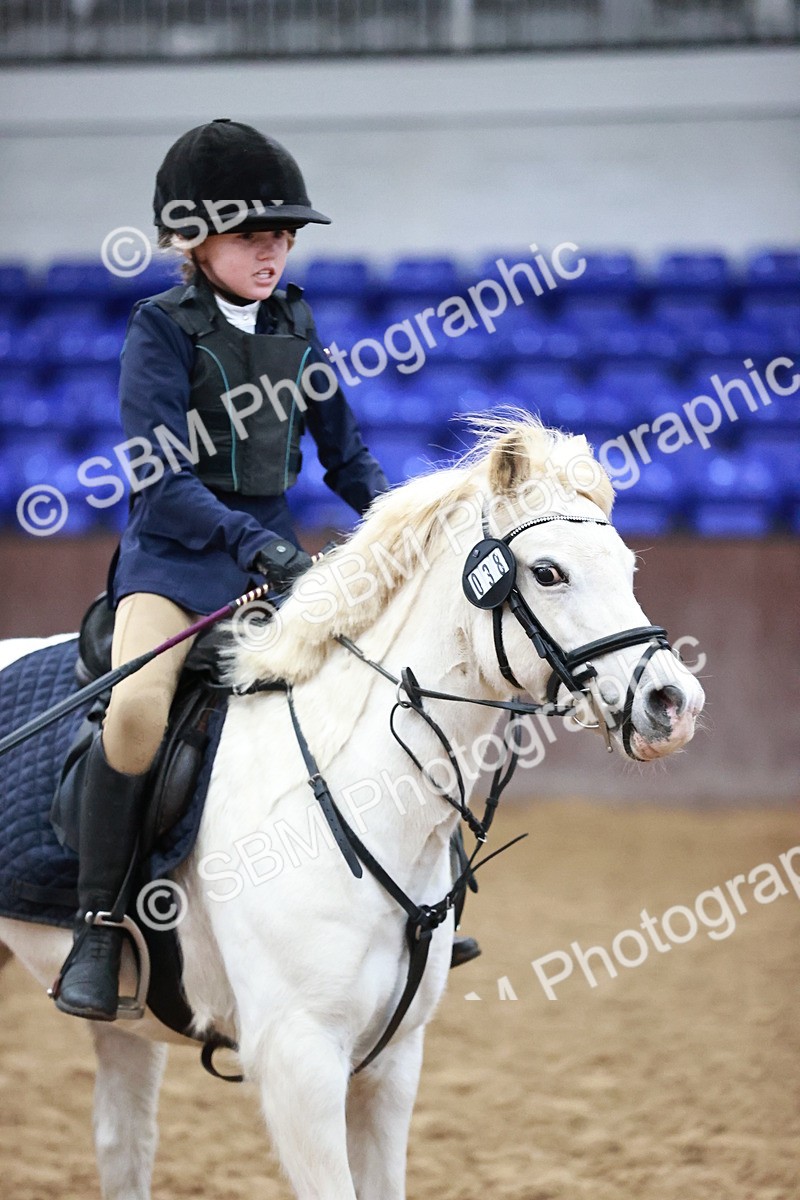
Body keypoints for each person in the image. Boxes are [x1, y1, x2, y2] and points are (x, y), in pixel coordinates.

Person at [54, 119, 478, 1022]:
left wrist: (405, 524)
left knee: (386, 689)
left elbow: (346, 452)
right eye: (256, 234)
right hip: (174, 566)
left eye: (285, 235)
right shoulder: (159, 331)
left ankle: (429, 895)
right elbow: (158, 482)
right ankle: (97, 927)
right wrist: (255, 546)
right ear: (193, 239)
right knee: (134, 716)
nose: (275, 250)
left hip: (277, 566)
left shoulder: (295, 321)